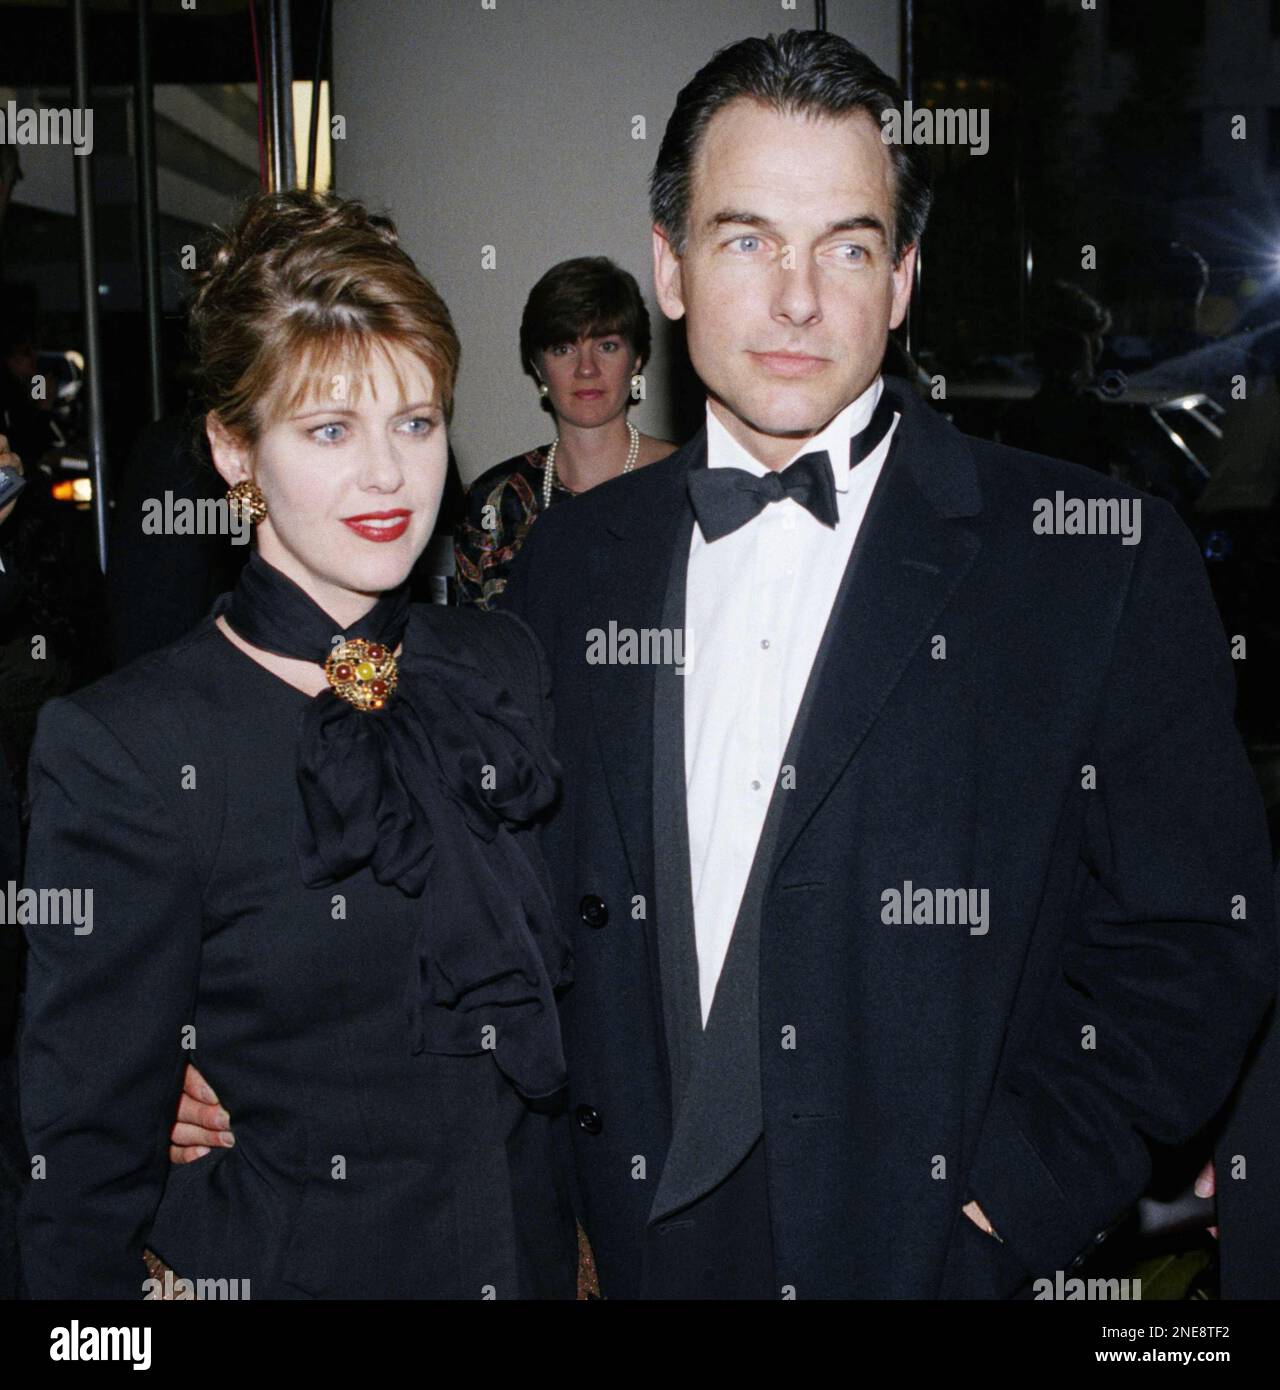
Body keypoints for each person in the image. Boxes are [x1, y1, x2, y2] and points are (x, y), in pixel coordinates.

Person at [172, 29, 1276, 1300]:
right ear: (671, 270)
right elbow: (472, 893)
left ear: (903, 277)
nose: (797, 296)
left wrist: (1007, 1204)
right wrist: (225, 1056)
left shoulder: (1088, 561)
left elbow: (1198, 939)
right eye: (747, 238)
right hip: (619, 1249)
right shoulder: (571, 563)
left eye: (847, 246)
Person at [18, 190, 577, 1299]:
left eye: (414, 422)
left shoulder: (499, 667)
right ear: (235, 449)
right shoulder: (127, 750)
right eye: (329, 428)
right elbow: (78, 1171)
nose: (387, 476)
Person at [454, 257, 675, 609]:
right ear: (537, 366)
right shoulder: (494, 501)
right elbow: (472, 651)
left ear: (636, 359)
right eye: (563, 349)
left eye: (607, 346)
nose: (586, 369)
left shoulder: (689, 485)